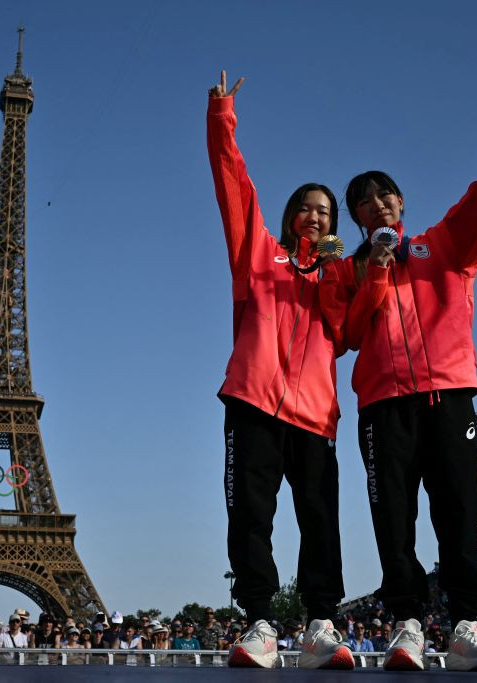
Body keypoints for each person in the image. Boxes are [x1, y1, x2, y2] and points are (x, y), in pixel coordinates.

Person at [329, 60, 477, 673]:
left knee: (459, 508)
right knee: (392, 517)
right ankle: (408, 625)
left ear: (400, 202)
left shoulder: (447, 244)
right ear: (357, 220)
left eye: (382, 195)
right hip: (383, 405)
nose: (374, 205)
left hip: (450, 397)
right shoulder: (348, 271)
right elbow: (344, 335)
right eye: (362, 203)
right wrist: (374, 271)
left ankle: (467, 626)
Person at [206, 68, 354, 672]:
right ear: (292, 215)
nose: (314, 217)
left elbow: (347, 336)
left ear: (332, 223)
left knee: (319, 517)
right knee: (251, 514)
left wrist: (350, 275)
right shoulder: (258, 253)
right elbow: (233, 185)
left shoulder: (339, 274)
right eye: (306, 208)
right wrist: (222, 115)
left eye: (324, 211)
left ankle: (321, 621)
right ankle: (260, 620)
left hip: (315, 414)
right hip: (254, 402)